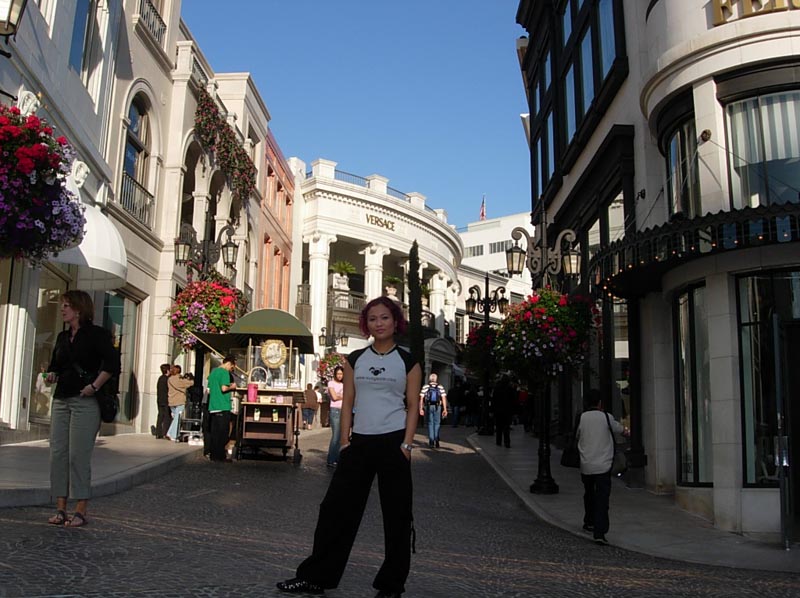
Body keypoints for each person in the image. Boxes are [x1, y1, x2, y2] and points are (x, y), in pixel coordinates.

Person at [277, 296, 422, 597]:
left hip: (394, 442)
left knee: (396, 515)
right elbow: (348, 403)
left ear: (395, 322)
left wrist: (407, 445)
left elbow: (412, 405)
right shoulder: (355, 359)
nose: (378, 323)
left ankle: (391, 585)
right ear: (365, 324)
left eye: (384, 318)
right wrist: (344, 440)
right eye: (372, 319)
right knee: (334, 510)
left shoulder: (408, 361)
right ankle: (316, 577)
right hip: (360, 443)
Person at [45, 290, 120, 527]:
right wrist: (50, 375)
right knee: (58, 454)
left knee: (78, 455)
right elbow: (54, 366)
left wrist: (94, 386)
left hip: (85, 402)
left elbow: (112, 363)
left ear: (78, 309)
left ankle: (80, 509)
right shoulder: (61, 337)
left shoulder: (97, 335)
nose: (62, 309)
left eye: (66, 305)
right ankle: (60, 508)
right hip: (61, 399)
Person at [576, 389, 624, 545]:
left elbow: (577, 435)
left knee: (589, 493)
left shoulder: (582, 417)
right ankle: (600, 531)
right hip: (603, 464)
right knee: (602, 498)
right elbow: (621, 429)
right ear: (599, 403)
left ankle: (588, 521)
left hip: (586, 463)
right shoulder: (606, 417)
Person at [207, 355, 237, 462]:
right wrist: (232, 387)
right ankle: (220, 456)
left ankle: (213, 455)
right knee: (223, 433)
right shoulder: (224, 373)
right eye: (232, 367)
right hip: (223, 405)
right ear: (229, 364)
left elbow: (209, 389)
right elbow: (224, 388)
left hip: (213, 406)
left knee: (214, 433)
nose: (231, 370)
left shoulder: (213, 372)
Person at [418, 373, 447, 448]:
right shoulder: (440, 387)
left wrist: (421, 408)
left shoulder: (426, 386)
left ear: (430, 379)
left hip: (428, 406)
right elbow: (443, 398)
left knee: (430, 423)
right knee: (437, 423)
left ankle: (431, 441)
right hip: (438, 406)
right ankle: (436, 439)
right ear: (436, 379)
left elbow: (421, 398)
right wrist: (445, 409)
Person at [166, 364, 193, 442]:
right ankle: (173, 434)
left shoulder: (170, 379)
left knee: (175, 418)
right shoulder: (177, 379)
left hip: (171, 401)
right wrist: (191, 379)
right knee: (177, 418)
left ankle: (170, 432)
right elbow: (187, 384)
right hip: (179, 401)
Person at [326, 365, 345, 467]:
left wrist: (340, 396)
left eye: (341, 374)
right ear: (334, 374)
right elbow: (334, 397)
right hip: (335, 411)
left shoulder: (345, 384)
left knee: (342, 436)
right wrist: (343, 396)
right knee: (336, 435)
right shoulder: (331, 383)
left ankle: (337, 459)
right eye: (338, 374)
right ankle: (331, 459)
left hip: (344, 411)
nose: (339, 376)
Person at [492, 373, 515, 448]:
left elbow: (494, 400)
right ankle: (507, 442)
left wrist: (493, 410)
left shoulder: (497, 388)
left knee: (499, 427)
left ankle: (498, 441)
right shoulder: (510, 389)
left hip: (498, 411)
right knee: (506, 427)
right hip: (507, 411)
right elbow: (513, 400)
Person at [153, 363, 171, 439]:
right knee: (167, 416)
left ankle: (158, 432)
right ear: (167, 370)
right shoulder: (167, 379)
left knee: (160, 416)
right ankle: (165, 432)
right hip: (166, 400)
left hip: (160, 399)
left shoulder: (160, 378)